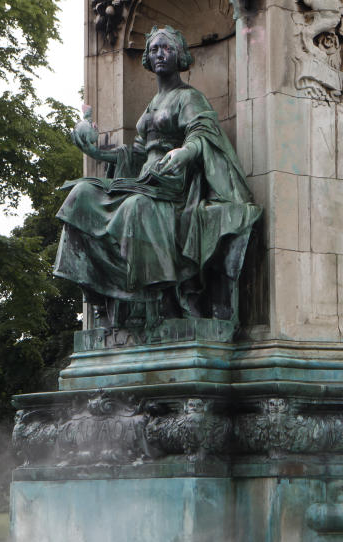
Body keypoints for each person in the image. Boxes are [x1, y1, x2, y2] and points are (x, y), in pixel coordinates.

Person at [54, 25, 261, 329]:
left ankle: (152, 300)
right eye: (153, 49)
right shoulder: (152, 103)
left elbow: (202, 133)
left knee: (135, 208)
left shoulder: (189, 98)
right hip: (144, 181)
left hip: (172, 184)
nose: (159, 54)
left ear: (180, 55)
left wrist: (185, 153)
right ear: (147, 58)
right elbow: (137, 153)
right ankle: (98, 293)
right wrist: (97, 153)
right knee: (80, 195)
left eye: (166, 48)